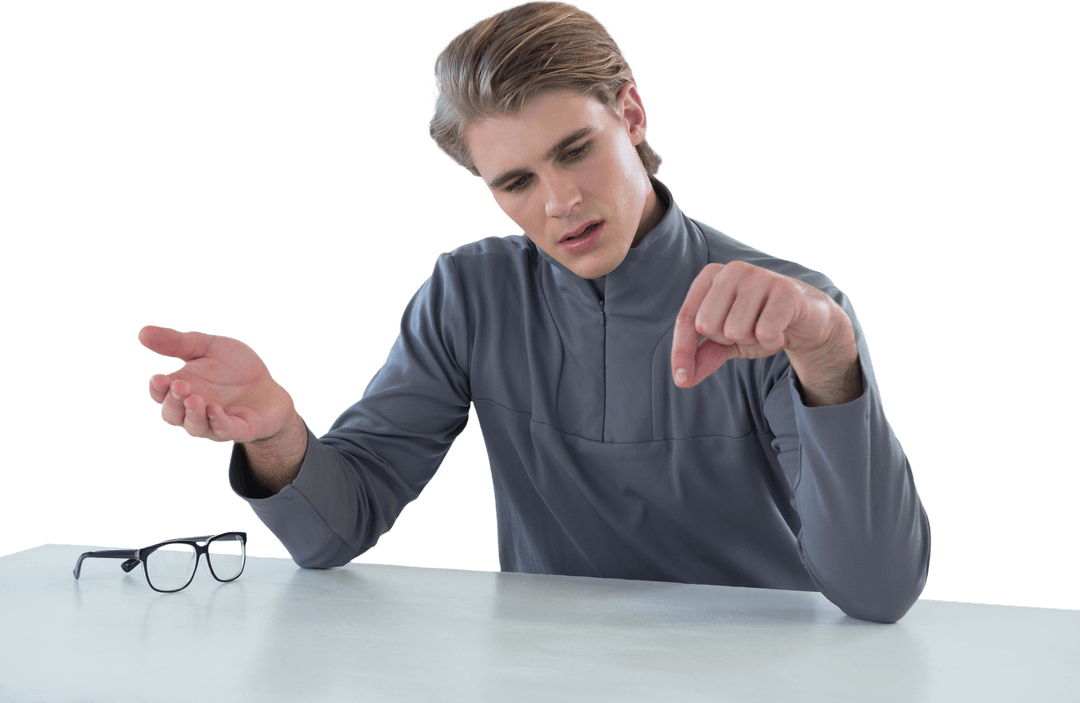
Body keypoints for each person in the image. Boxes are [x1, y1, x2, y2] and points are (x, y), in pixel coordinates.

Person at [139, 1, 930, 623]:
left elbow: (878, 592)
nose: (561, 204)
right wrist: (279, 435)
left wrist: (827, 354)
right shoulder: (469, 294)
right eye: (515, 182)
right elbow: (333, 529)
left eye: (574, 149)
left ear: (631, 113)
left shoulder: (779, 308)